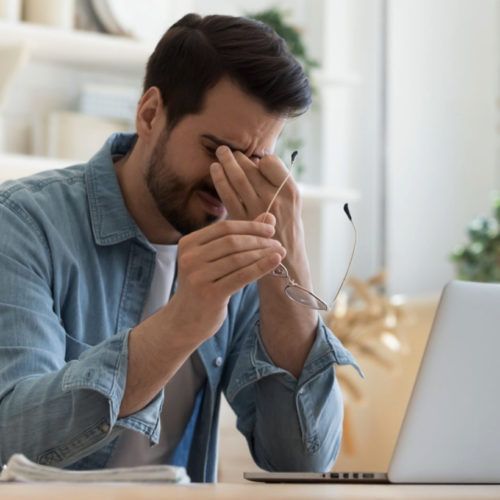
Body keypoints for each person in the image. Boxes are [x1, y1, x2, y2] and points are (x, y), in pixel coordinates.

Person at [0, 13, 360, 482]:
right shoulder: (24, 224)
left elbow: (301, 460)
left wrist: (289, 266)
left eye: (254, 161)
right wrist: (185, 320)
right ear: (150, 114)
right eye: (216, 150)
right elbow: (12, 441)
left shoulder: (244, 245)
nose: (227, 180)